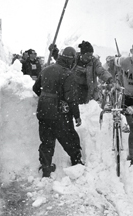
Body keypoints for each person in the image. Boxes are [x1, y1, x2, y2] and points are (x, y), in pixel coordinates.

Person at [32, 47, 83, 178]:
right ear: (71, 61)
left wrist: (46, 97)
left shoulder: (46, 69)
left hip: (43, 110)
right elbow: (71, 98)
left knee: (46, 141)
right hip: (59, 112)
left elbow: (36, 88)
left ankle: (46, 168)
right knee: (69, 137)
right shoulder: (68, 74)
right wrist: (76, 115)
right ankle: (76, 163)